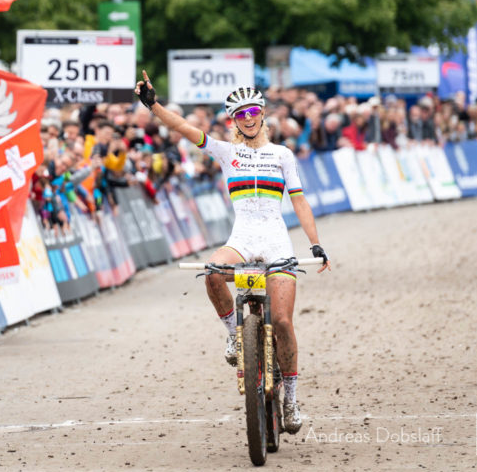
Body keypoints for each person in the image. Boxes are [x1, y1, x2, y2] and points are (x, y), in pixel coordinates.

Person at [134, 71, 330, 434]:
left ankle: (290, 396)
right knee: (211, 273)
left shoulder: (282, 154)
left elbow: (299, 201)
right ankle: (233, 333)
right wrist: (153, 106)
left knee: (284, 322)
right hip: (241, 241)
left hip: (275, 243)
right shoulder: (227, 152)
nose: (249, 118)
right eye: (241, 114)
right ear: (234, 121)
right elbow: (183, 128)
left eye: (253, 111)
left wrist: (315, 243)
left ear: (262, 113)